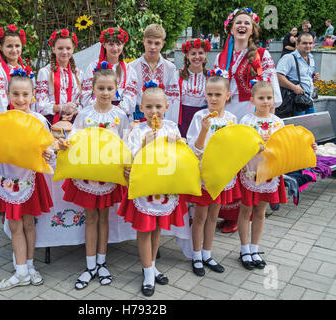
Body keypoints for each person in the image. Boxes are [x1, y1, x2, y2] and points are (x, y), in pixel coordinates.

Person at [58, 65, 130, 290]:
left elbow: (126, 143)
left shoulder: (120, 115)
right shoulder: (85, 114)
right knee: (90, 218)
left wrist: (127, 167)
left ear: (116, 89)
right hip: (88, 177)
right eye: (101, 88)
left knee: (104, 218)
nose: (106, 92)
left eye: (110, 88)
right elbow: (74, 138)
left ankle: (101, 262)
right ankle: (90, 266)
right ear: (93, 88)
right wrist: (64, 143)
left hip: (108, 177)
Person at [0, 69, 53, 290]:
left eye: (25, 94)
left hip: (30, 181)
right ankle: (21, 270)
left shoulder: (40, 120)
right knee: (15, 226)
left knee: (30, 225)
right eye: (16, 94)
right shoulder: (0, 120)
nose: (21, 99)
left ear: (33, 95)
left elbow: (47, 149)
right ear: (7, 94)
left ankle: (30, 266)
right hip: (8, 179)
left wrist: (49, 153)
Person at [214, 7, 282, 233]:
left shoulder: (262, 54)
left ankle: (242, 214)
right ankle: (224, 212)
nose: (242, 26)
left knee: (248, 163)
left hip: (251, 112)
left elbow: (271, 88)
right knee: (230, 163)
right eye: (237, 23)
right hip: (228, 113)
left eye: (247, 23)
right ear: (230, 28)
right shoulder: (221, 56)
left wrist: (267, 119)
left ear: (253, 29)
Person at [237, 81, 317, 269]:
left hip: (271, 174)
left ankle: (255, 248)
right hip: (251, 172)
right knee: (246, 210)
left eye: (269, 98)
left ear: (274, 100)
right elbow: (239, 147)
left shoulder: (278, 122)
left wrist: (307, 146)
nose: (265, 102)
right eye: (261, 98)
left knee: (260, 211)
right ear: (252, 100)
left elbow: (288, 145)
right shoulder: (246, 121)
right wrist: (255, 145)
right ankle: (244, 249)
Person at [118, 82, 187, 297]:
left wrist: (180, 143)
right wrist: (145, 145)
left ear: (166, 106)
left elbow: (180, 156)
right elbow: (131, 160)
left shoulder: (171, 128)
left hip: (164, 188)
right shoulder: (137, 131)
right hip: (145, 190)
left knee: (157, 229)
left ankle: (153, 264)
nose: (153, 112)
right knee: (144, 229)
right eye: (148, 107)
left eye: (158, 107)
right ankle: (147, 271)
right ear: (141, 107)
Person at [186, 74, 240, 277]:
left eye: (218, 94)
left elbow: (234, 147)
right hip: (204, 175)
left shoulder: (232, 119)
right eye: (210, 94)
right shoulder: (200, 117)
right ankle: (196, 255)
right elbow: (195, 149)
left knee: (214, 216)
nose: (213, 98)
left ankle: (208, 254)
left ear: (228, 95)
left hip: (221, 176)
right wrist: (203, 131)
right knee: (200, 216)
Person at [128, 24, 180, 123]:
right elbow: (130, 95)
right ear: (143, 41)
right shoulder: (132, 67)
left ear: (162, 44)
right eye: (149, 42)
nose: (152, 47)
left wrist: (170, 122)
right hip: (138, 116)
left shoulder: (170, 68)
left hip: (162, 116)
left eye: (157, 43)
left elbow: (172, 98)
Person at [80, 27, 137, 118]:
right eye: (110, 44)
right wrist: (102, 110)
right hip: (96, 114)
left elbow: (130, 99)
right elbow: (86, 95)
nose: (115, 48)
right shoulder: (92, 67)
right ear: (104, 44)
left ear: (123, 45)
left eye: (118, 44)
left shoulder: (129, 70)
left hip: (120, 116)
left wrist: (114, 112)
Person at [35, 29, 81, 127]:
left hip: (73, 121)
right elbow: (40, 106)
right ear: (53, 49)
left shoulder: (78, 73)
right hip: (51, 122)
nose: (64, 52)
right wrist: (61, 107)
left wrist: (74, 111)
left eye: (68, 48)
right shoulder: (45, 72)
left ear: (73, 49)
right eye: (60, 48)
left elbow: (82, 102)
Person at [0, 24, 33, 115]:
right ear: (1, 47)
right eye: (9, 46)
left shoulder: (27, 70)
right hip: (7, 116)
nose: (14, 50)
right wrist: (5, 120)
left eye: (17, 46)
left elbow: (32, 98)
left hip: (26, 116)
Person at [277, 32, 320, 116]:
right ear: (297, 44)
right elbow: (278, 76)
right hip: (295, 102)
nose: (308, 46)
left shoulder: (311, 57)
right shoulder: (289, 58)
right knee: (298, 128)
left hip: (308, 100)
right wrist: (294, 87)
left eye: (310, 43)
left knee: (309, 127)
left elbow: (305, 77)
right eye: (304, 43)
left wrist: (313, 79)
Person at [178, 38, 211, 138]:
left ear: (205, 54)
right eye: (193, 54)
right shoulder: (178, 76)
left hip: (202, 120)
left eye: (200, 53)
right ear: (187, 55)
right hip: (182, 119)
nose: (197, 57)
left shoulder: (211, 77)